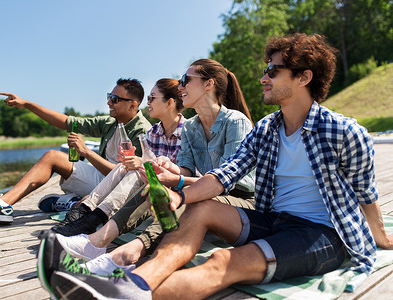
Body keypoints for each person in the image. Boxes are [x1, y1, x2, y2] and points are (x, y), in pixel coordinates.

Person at [45, 33, 393, 299]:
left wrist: (380, 239)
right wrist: (180, 198)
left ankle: (120, 293)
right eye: (265, 70)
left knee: (222, 263)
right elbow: (225, 175)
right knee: (200, 210)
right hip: (272, 219)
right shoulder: (267, 128)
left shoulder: (344, 131)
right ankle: (134, 281)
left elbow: (366, 194)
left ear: (304, 78)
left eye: (273, 70)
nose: (263, 78)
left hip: (319, 233)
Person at [38, 58, 256, 288]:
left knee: (186, 200)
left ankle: (123, 255)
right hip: (206, 190)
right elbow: (186, 168)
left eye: (186, 80)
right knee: (151, 180)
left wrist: (179, 179)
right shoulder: (192, 127)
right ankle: (96, 242)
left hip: (240, 199)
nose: (180, 86)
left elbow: (230, 181)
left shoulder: (235, 122)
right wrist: (168, 167)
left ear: (208, 84)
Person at [0, 78, 152, 225]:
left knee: (84, 205)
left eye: (115, 99)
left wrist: (87, 152)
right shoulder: (110, 122)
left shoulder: (142, 131)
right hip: (101, 179)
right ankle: (2, 205)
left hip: (118, 189)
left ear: (133, 104)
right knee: (52, 157)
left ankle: (71, 202)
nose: (109, 102)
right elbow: (67, 122)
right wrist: (27, 104)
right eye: (109, 97)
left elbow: (128, 178)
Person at [50, 78, 186, 235]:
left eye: (152, 98)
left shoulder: (188, 131)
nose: (147, 102)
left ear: (169, 103)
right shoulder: (153, 132)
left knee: (136, 171)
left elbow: (183, 170)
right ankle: (83, 210)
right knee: (125, 166)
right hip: (151, 184)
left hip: (172, 190)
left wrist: (141, 163)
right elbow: (150, 165)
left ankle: (92, 218)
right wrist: (135, 161)